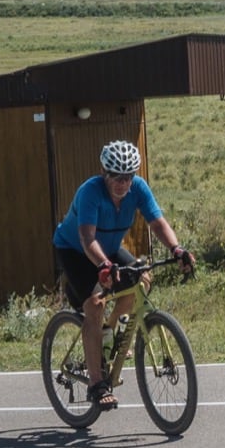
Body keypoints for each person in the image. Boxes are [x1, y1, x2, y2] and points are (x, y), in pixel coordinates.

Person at [53, 140, 192, 410]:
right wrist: (104, 265)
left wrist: (176, 249)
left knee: (142, 279)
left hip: (108, 248)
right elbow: (87, 238)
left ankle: (109, 330)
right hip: (76, 250)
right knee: (95, 304)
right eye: (116, 176)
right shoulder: (90, 192)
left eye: (128, 176)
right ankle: (97, 385)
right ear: (104, 173)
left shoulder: (138, 188)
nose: (122, 183)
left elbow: (157, 222)